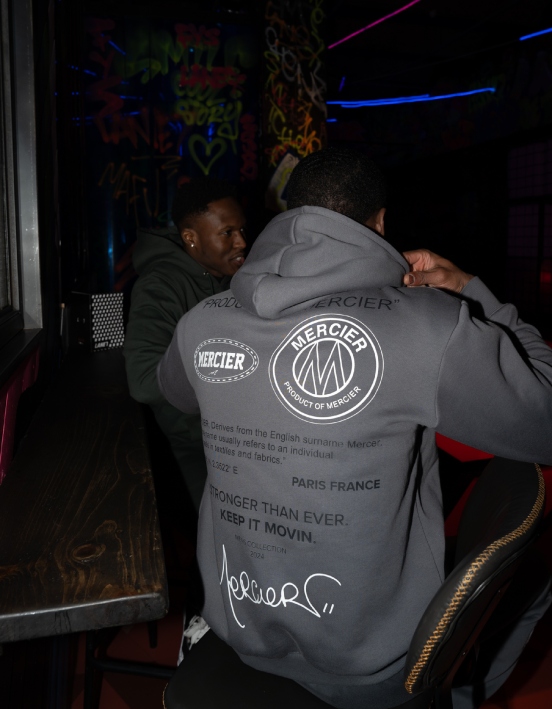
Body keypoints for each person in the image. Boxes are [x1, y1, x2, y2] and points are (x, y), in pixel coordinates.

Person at [157, 148, 552, 708]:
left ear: (287, 215)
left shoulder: (201, 321)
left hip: (241, 630)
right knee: (536, 583)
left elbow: (174, 391)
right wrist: (470, 289)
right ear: (380, 223)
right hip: (371, 671)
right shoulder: (430, 326)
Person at [124, 177, 246, 513]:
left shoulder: (235, 278)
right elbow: (143, 381)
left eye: (242, 230)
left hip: (237, 439)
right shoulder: (160, 285)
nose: (241, 241)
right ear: (191, 238)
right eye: (227, 233)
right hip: (189, 446)